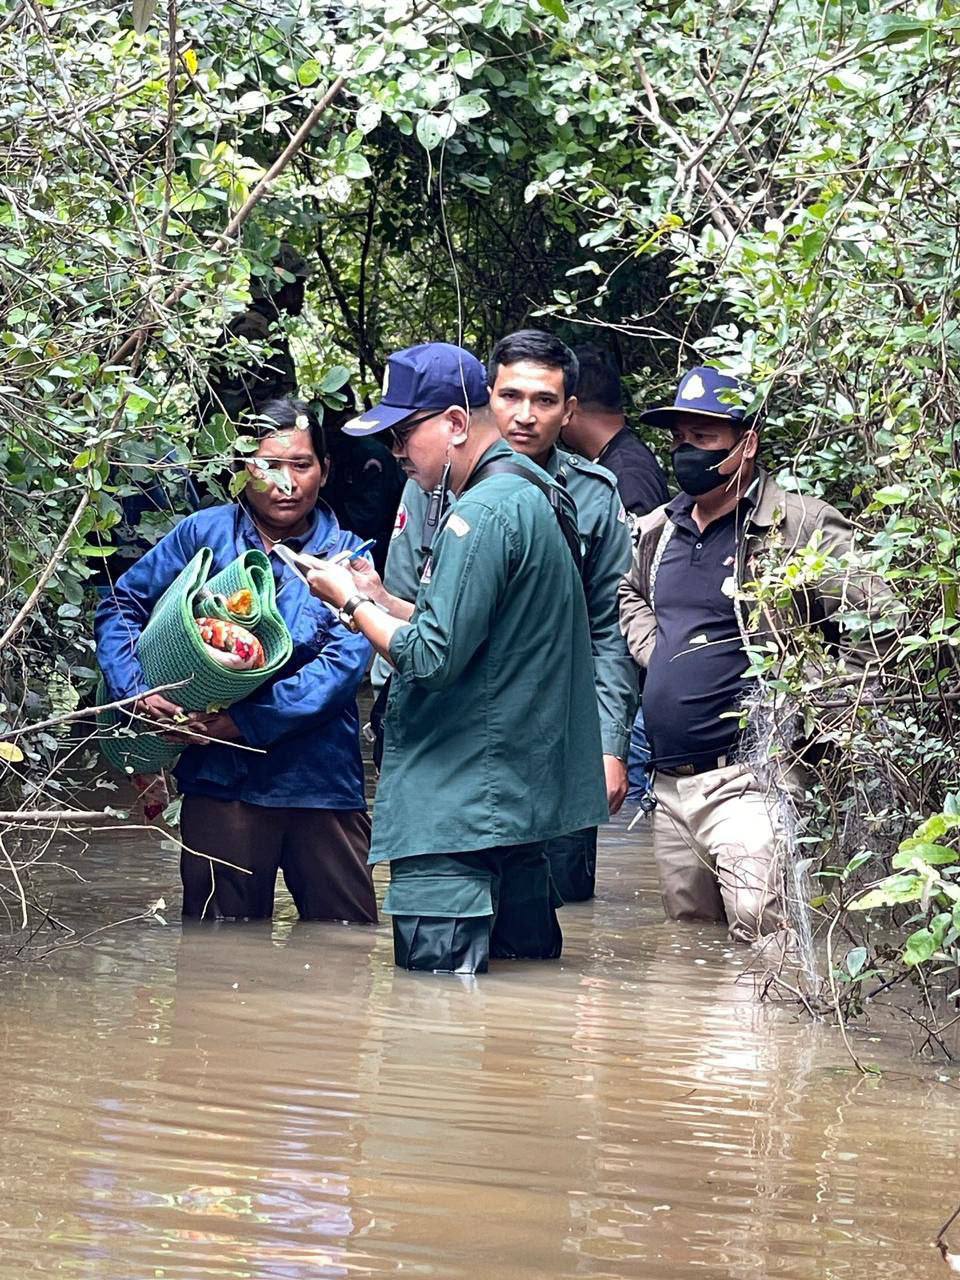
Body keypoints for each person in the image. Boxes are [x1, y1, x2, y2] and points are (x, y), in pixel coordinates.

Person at [301, 342, 608, 974]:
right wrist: (381, 599)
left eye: (403, 436)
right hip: (514, 811)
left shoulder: (483, 512)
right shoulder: (538, 492)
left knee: (432, 1014)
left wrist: (347, 603)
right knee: (523, 1009)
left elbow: (433, 657)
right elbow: (484, 630)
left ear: (457, 423)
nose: (396, 454)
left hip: (457, 810)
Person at [618, 366, 892, 943]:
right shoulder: (660, 529)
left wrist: (825, 699)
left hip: (751, 777)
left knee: (763, 932)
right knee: (688, 944)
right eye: (680, 439)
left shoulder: (796, 524)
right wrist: (659, 652)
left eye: (704, 437)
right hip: (669, 786)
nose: (687, 452)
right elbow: (630, 592)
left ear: (747, 443)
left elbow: (881, 615)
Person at [375, 330, 637, 903]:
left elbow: (607, 632)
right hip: (448, 735)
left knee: (549, 901)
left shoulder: (592, 494)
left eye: (544, 401)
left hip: (547, 736)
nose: (524, 415)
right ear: (483, 399)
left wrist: (608, 745)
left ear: (569, 411)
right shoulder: (429, 479)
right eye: (510, 396)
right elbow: (410, 601)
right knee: (450, 897)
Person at [95, 398, 378, 925]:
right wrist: (136, 690)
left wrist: (244, 721)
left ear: (325, 469)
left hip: (318, 779)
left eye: (301, 465)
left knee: (346, 937)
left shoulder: (349, 557)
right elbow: (121, 603)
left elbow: (341, 669)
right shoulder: (202, 534)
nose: (286, 483)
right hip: (218, 774)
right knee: (216, 944)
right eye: (267, 466)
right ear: (241, 469)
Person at [564, 343, 669, 808]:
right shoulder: (611, 462)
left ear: (572, 409)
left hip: (631, 678)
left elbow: (636, 577)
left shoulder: (626, 472)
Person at [198, 244, 308, 427]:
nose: (301, 293)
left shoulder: (269, 329)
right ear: (279, 288)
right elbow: (230, 406)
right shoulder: (251, 330)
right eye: (298, 285)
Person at [564, 343, 669, 523]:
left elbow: (639, 540)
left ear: (571, 407)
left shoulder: (628, 474)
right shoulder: (619, 457)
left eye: (551, 401)